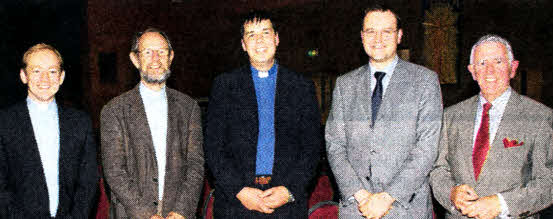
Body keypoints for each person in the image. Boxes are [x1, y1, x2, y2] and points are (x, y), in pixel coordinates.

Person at [325, 4, 443, 219]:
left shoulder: (425, 81)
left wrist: (387, 197)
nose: (377, 39)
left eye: (386, 31)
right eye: (371, 31)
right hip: (356, 209)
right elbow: (335, 145)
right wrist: (361, 196)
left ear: (399, 36)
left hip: (405, 208)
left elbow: (427, 148)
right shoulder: (344, 84)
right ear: (362, 36)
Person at [204, 10, 322, 218]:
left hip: (286, 205)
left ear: (276, 39)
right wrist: (239, 190)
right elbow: (213, 148)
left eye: (265, 33)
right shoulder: (224, 86)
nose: (259, 40)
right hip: (236, 204)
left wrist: (289, 191)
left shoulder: (301, 87)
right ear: (243, 44)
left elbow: (312, 149)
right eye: (251, 35)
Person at [430, 34, 553, 219]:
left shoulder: (539, 117)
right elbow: (438, 169)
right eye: (482, 63)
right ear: (473, 71)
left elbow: (552, 181)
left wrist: (502, 204)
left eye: (498, 62)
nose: (489, 71)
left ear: (512, 68)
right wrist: (451, 193)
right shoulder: (451, 116)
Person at [100, 28, 204, 219]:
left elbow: (195, 165)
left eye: (162, 51)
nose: (155, 58)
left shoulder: (189, 107)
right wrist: (145, 214)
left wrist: (182, 211)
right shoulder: (114, 110)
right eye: (147, 52)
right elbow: (114, 171)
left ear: (171, 57)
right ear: (134, 59)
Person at [0, 43, 98, 218]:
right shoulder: (2, 123)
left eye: (52, 71)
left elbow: (89, 181)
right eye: (37, 71)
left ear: (61, 77)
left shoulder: (80, 122)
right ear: (24, 76)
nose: (45, 79)